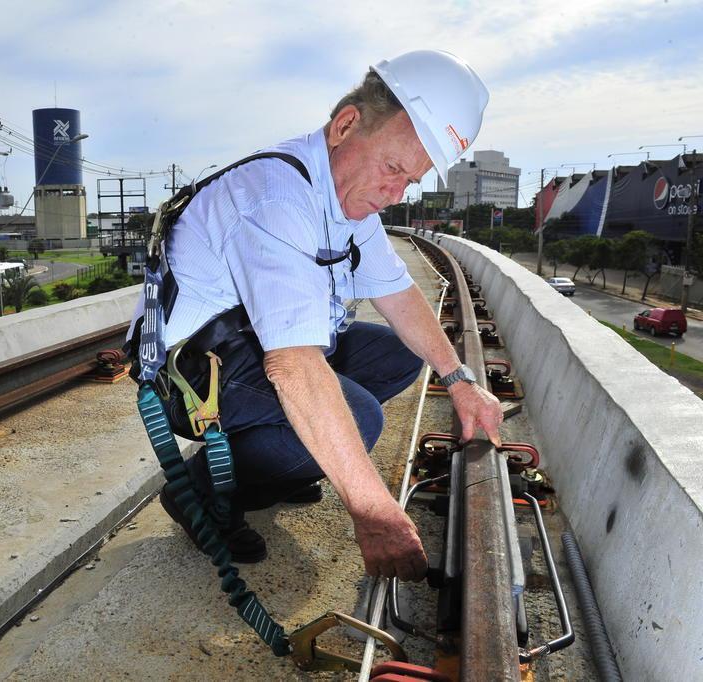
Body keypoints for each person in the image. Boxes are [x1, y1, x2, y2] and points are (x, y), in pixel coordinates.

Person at [139, 50, 503, 582]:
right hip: (195, 373)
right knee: (359, 418)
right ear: (346, 126)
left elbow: (399, 293)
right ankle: (198, 494)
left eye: (410, 181)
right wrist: (373, 511)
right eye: (393, 168)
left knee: (402, 354)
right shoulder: (276, 197)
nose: (394, 192)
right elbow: (293, 366)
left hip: (247, 346)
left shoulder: (344, 193)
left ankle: (286, 458)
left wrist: (460, 378)